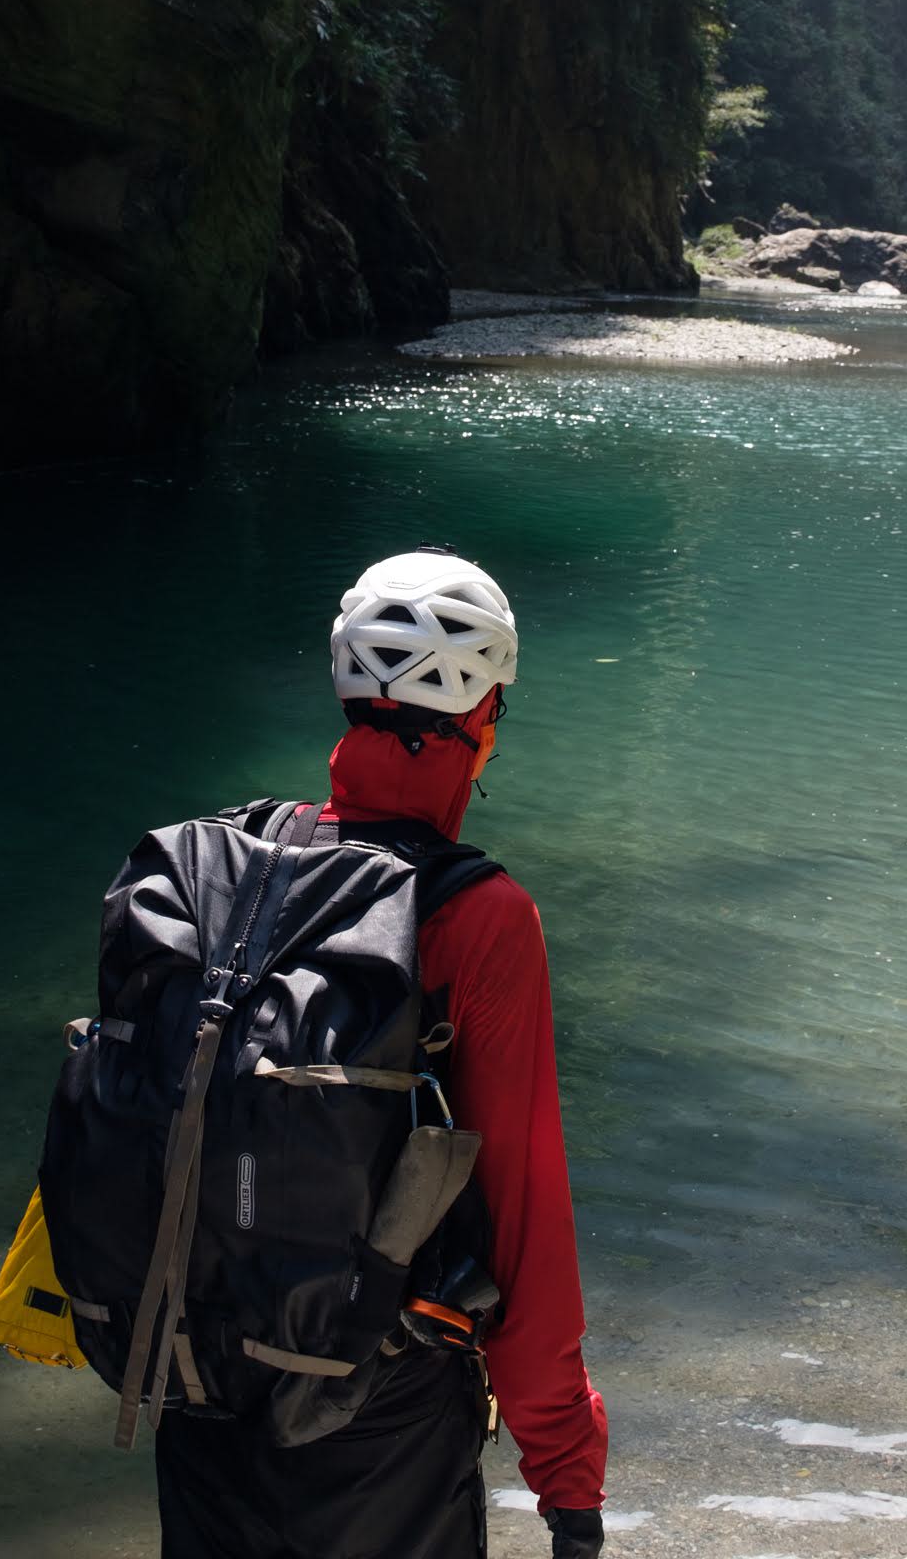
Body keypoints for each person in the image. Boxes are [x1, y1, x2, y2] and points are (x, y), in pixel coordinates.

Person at [152, 549, 608, 1559]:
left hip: (202, 1376)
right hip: (380, 1408)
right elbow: (529, 1222)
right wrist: (566, 1471)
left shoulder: (228, 871)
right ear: (485, 722)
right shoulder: (479, 919)